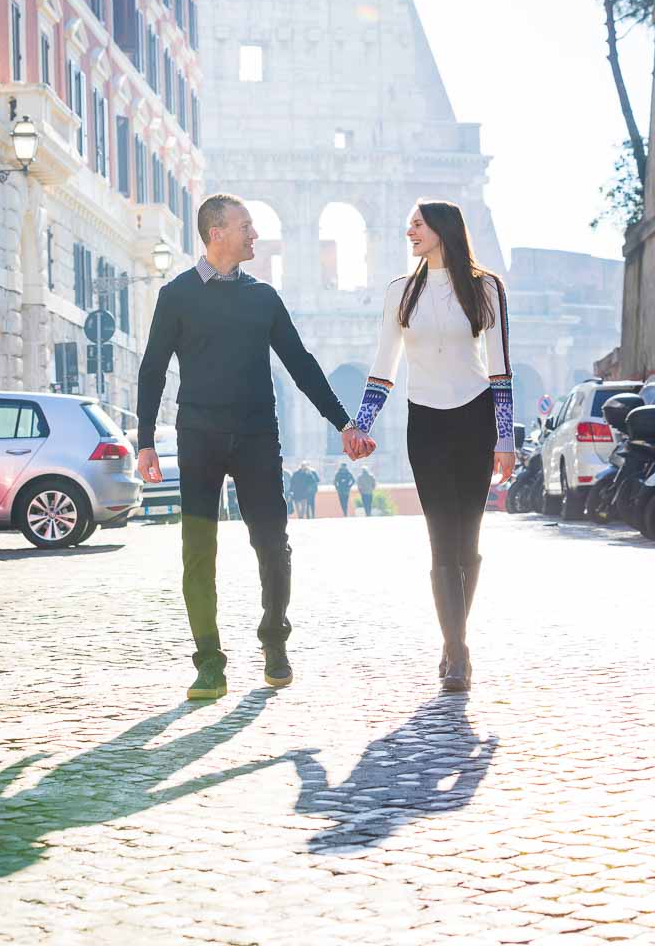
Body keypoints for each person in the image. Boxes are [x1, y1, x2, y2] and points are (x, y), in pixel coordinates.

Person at [136, 193, 369, 701]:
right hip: (197, 439)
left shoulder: (263, 298)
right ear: (216, 233)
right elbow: (153, 368)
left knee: (272, 544)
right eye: (246, 227)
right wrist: (146, 441)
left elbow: (302, 365)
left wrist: (343, 423)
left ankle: (274, 641)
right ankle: (209, 663)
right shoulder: (176, 295)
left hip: (258, 437)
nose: (255, 236)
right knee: (198, 552)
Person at [347, 198, 515, 693]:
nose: (410, 232)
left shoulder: (486, 288)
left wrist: (504, 437)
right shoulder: (400, 293)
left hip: (476, 418)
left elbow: (501, 368)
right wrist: (362, 424)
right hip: (425, 425)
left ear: (443, 229)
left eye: (417, 224)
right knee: (441, 538)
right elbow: (383, 366)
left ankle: (453, 640)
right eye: (409, 225)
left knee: (470, 539)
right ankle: (458, 650)